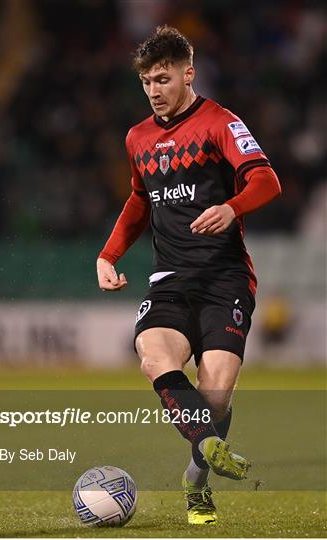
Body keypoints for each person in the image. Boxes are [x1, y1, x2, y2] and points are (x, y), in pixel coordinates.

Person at [97, 26, 281, 525]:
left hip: (224, 278)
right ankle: (208, 446)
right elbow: (140, 199)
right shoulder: (137, 137)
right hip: (170, 281)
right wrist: (108, 254)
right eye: (146, 83)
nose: (154, 90)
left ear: (188, 73)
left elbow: (266, 178)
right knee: (154, 356)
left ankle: (196, 479)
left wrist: (231, 206)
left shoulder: (221, 122)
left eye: (163, 78)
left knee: (215, 395)